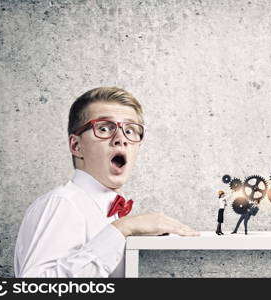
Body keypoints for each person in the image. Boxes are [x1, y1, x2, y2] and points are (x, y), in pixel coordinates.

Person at [14, 87, 199, 278]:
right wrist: (122, 228)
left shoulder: (108, 211)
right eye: (104, 128)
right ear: (76, 146)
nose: (121, 139)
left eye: (130, 130)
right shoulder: (63, 203)